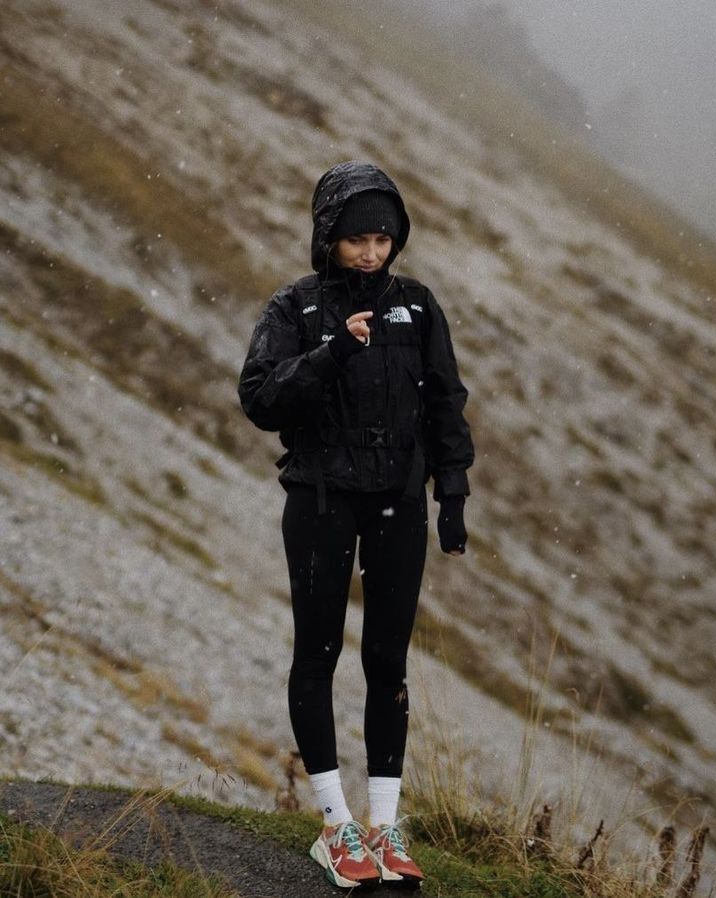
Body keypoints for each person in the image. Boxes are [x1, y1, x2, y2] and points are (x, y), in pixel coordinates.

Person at [238, 160, 473, 890]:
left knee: (387, 663)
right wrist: (335, 349)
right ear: (326, 238)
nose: (370, 253)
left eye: (382, 238)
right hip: (319, 500)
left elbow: (444, 403)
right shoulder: (295, 307)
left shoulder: (419, 306)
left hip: (398, 502)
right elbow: (261, 399)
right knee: (317, 654)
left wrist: (452, 492)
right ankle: (334, 825)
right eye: (355, 240)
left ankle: (384, 826)